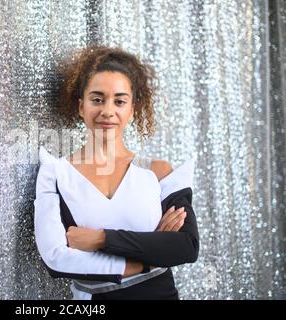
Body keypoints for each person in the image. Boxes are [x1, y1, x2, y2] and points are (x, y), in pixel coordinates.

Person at [33, 45, 199, 300]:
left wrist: (101, 239)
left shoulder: (158, 173)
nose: (107, 111)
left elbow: (185, 247)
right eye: (97, 99)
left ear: (132, 109)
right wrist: (148, 257)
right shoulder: (55, 173)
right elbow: (56, 260)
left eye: (119, 101)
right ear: (81, 106)